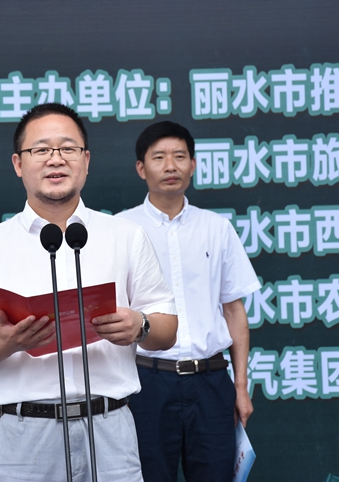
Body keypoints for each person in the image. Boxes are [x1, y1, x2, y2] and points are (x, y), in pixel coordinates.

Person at [0, 103, 178, 482]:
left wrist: (140, 325)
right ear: (18, 163)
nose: (56, 159)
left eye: (68, 148)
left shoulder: (125, 236)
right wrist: (6, 344)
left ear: (86, 160)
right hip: (23, 437)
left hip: (109, 429)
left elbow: (167, 329)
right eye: (41, 149)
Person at [116, 121, 260, 481]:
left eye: (180, 157)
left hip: (210, 381)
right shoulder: (121, 230)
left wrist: (241, 387)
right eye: (159, 157)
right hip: (146, 381)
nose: (171, 166)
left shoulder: (217, 228)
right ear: (141, 168)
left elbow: (234, 311)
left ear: (192, 165)